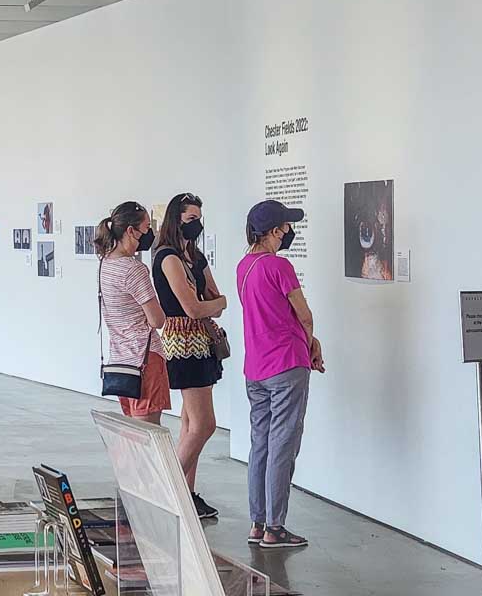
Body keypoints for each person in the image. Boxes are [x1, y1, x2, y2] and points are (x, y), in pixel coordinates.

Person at [238, 200, 326, 549]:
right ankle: (275, 527)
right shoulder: (279, 266)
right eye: (286, 226)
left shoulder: (244, 266)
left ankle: (258, 523)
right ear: (275, 231)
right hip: (287, 363)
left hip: (256, 367)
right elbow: (304, 315)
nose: (290, 232)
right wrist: (311, 343)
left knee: (260, 443)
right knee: (283, 444)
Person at [153, 193, 227, 519]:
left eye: (198, 218)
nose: (196, 224)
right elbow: (196, 307)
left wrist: (214, 303)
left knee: (189, 422)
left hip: (200, 341)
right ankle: (165, 488)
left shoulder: (194, 256)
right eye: (190, 219)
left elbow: (214, 298)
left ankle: (187, 493)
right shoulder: (168, 257)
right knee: (204, 424)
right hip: (183, 344)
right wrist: (216, 304)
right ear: (176, 220)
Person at [96, 202, 169, 424]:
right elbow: (157, 320)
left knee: (133, 432)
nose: (150, 234)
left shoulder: (105, 264)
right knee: (148, 434)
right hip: (144, 359)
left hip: (120, 360)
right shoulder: (134, 269)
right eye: (147, 228)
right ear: (131, 230)